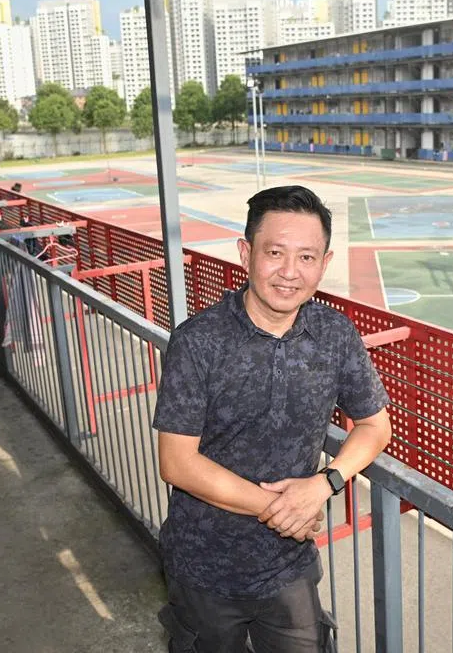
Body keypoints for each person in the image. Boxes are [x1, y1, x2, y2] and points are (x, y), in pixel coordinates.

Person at [153, 185, 392, 653]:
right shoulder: (199, 341)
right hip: (203, 567)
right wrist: (285, 511)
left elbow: (375, 424)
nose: (289, 272)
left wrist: (325, 483)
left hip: (288, 567)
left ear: (325, 264)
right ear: (246, 254)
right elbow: (177, 463)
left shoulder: (334, 333)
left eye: (307, 257)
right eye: (275, 252)